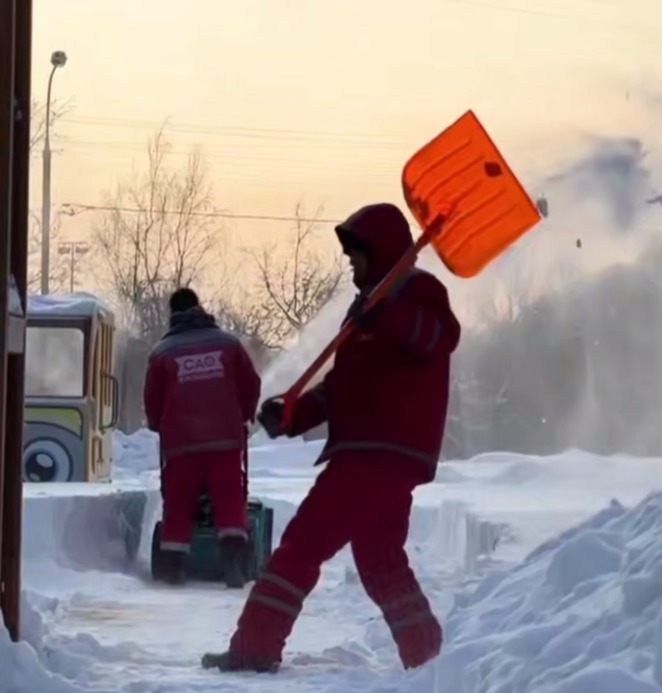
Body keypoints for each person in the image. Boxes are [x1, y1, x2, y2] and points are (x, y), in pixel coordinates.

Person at [203, 202, 461, 674]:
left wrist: (384, 314)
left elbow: (437, 338)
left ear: (379, 252)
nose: (349, 263)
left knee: (301, 544)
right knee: (381, 561)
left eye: (355, 254)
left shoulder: (420, 293)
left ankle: (254, 648)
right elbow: (343, 387)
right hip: (372, 454)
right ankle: (430, 661)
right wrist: (293, 413)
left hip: (379, 455)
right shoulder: (365, 310)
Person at [145, 288, 261, 588]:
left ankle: (172, 564)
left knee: (179, 498)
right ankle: (233, 557)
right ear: (200, 308)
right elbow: (251, 383)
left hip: (181, 440)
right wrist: (244, 414)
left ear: (172, 315)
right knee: (229, 495)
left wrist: (157, 423)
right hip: (225, 436)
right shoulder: (228, 344)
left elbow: (152, 398)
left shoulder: (162, 351)